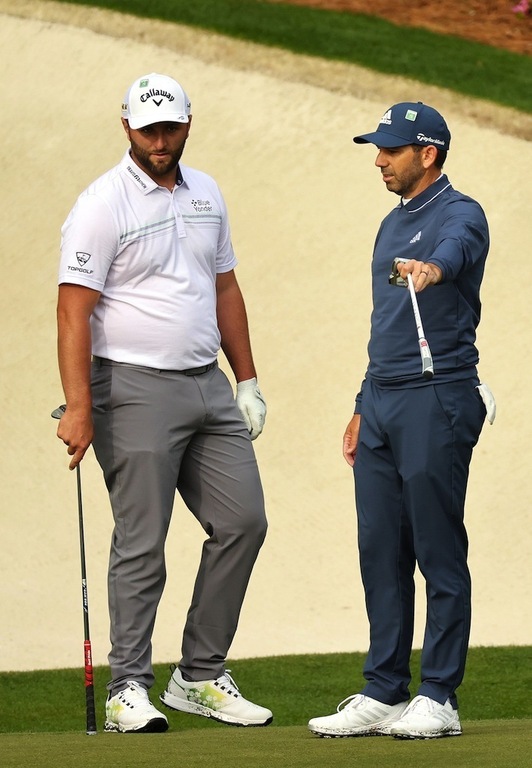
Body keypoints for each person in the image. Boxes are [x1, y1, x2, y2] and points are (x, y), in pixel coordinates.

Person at [56, 72, 272, 733]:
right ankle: (128, 689)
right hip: (130, 388)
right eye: (148, 129)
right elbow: (72, 312)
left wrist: (247, 379)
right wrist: (79, 407)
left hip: (206, 383)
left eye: (170, 127)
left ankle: (199, 675)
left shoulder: (207, 192)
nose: (160, 140)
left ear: (186, 124)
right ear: (127, 126)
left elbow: (225, 288)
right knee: (143, 542)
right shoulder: (102, 203)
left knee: (244, 522)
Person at [308, 102, 492, 740]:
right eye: (377, 148)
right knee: (380, 548)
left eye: (390, 149)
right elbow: (382, 328)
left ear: (428, 154)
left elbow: (455, 252)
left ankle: (439, 695)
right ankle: (385, 689)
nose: (379, 159)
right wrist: (363, 403)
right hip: (383, 399)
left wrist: (432, 270)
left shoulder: (461, 213)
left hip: (437, 394)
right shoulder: (389, 225)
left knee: (437, 547)